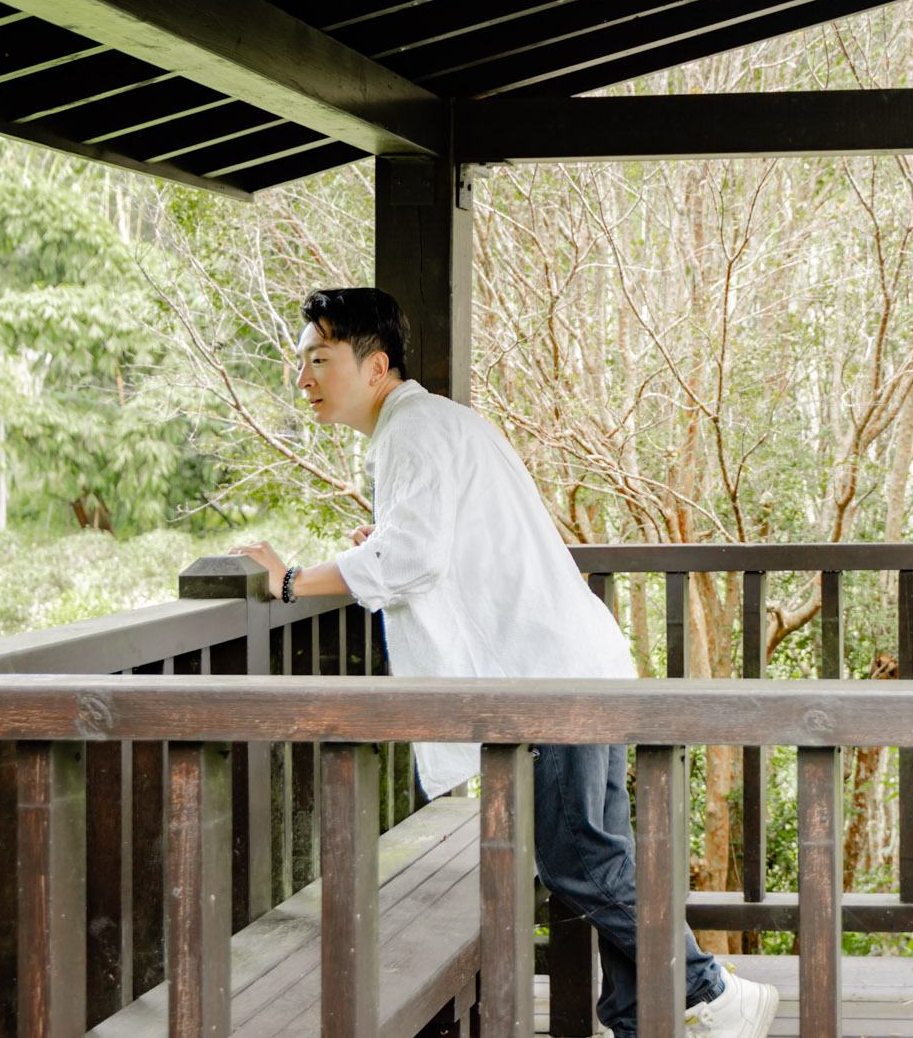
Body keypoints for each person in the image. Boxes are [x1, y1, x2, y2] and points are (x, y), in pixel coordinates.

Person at [230, 287, 777, 1038]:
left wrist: (291, 579)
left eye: (319, 359)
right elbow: (435, 544)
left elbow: (413, 557)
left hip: (552, 679)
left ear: (376, 366)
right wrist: (379, 543)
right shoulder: (431, 423)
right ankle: (639, 1019)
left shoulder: (412, 430)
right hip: (572, 665)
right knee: (599, 853)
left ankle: (713, 992)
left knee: (579, 859)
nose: (304, 378)